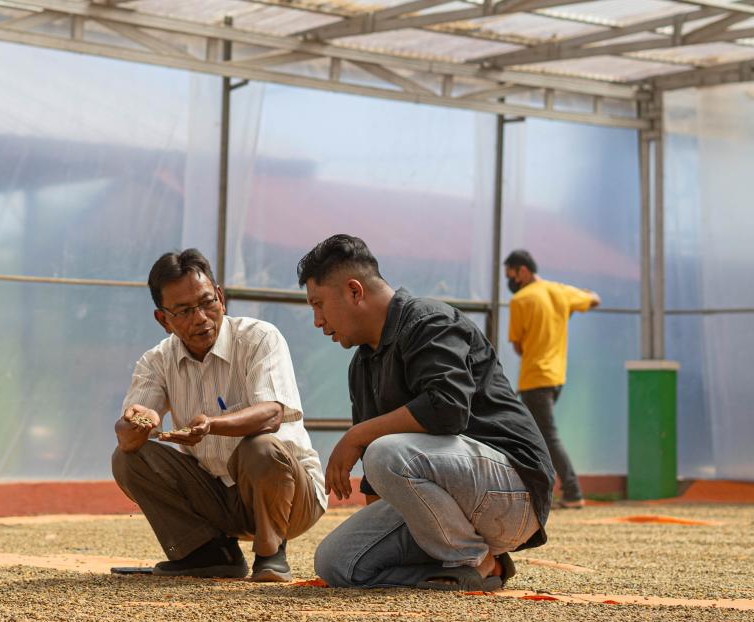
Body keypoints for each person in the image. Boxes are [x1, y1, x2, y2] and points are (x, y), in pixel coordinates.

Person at [302, 235, 554, 590]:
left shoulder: (428, 321)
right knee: (337, 563)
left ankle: (472, 560)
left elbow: (448, 408)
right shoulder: (361, 365)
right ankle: (476, 571)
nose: (316, 320)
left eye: (319, 304)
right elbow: (379, 483)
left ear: (354, 291)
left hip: (512, 491)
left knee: (383, 451)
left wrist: (357, 436)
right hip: (448, 502)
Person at [113, 249, 326, 582]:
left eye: (206, 302)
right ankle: (210, 553)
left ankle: (271, 554)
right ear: (163, 319)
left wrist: (212, 425)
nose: (200, 318)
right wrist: (136, 423)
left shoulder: (259, 338)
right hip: (219, 497)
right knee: (127, 458)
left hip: (293, 496)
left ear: (222, 298)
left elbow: (271, 414)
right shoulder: (156, 361)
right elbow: (131, 428)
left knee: (260, 447)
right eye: (183, 311)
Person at [504, 249, 600, 509]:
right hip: (557, 377)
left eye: (510, 275)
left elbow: (519, 347)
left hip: (535, 377)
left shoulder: (520, 300)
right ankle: (545, 490)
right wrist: (568, 310)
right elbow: (594, 300)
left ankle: (571, 492)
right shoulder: (560, 291)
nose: (509, 281)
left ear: (522, 271)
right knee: (538, 435)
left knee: (543, 435)